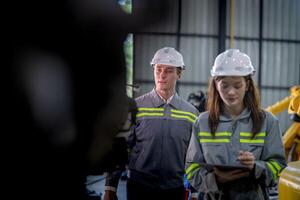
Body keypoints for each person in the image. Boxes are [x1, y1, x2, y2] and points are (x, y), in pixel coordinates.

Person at [185, 49, 286, 200]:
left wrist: (255, 167)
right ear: (216, 86)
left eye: (237, 85)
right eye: (224, 86)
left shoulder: (267, 122)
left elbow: (278, 167)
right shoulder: (203, 123)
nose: (231, 92)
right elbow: (192, 168)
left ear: (248, 85)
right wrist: (216, 180)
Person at [104, 47, 199, 200]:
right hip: (139, 189)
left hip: (174, 190)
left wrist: (194, 192)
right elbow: (120, 149)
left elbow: (194, 155)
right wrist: (110, 187)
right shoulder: (135, 108)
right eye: (158, 69)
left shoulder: (191, 113)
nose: (162, 75)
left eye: (168, 70)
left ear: (179, 74)